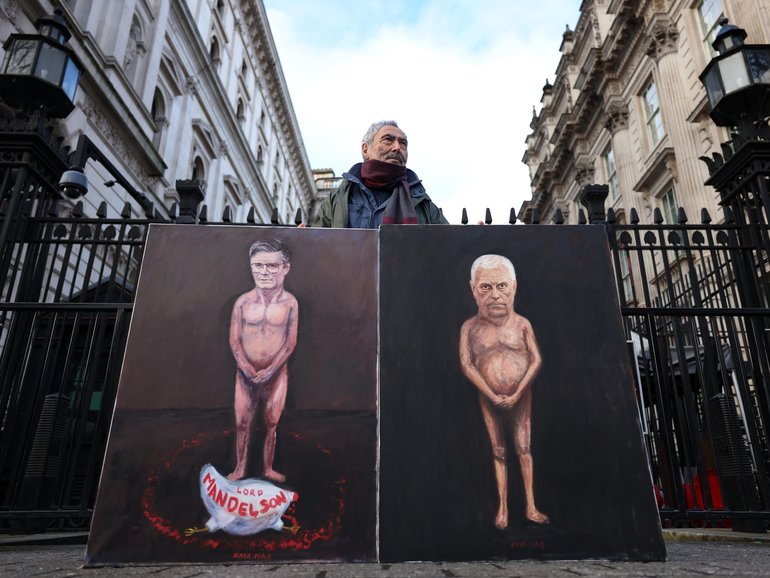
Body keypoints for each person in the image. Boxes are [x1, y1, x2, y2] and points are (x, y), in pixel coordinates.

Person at [459, 254, 549, 529]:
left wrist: (518, 393)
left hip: (521, 397)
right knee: (498, 450)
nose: (495, 295)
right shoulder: (470, 328)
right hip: (489, 398)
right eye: (486, 287)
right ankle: (503, 509)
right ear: (473, 289)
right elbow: (466, 364)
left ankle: (530, 506)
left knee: (524, 448)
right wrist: (490, 394)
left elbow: (536, 360)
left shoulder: (522, 324)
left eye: (502, 286)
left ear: (513, 286)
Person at [227, 239, 298, 483]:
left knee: (271, 423)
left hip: (276, 375)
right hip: (244, 375)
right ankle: (240, 468)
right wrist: (246, 368)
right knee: (242, 422)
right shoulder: (243, 302)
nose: (264, 272)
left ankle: (267, 468)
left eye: (271, 266)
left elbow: (289, 343)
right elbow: (235, 341)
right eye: (258, 266)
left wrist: (270, 370)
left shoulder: (290, 303)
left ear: (285, 267)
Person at [313, 120, 448, 228]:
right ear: (365, 149)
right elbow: (315, 243)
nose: (397, 147)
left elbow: (449, 246)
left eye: (403, 143)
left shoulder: (423, 203)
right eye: (388, 139)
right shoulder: (337, 199)